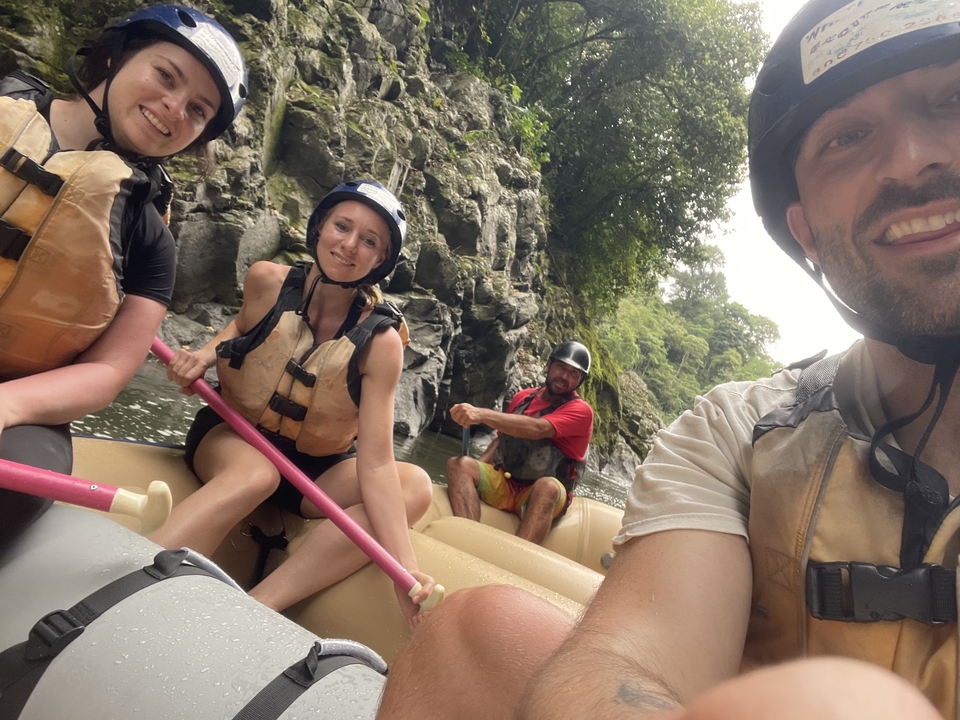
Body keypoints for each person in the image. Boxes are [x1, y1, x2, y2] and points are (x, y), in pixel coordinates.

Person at [376, 0, 960, 716]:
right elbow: (622, 662)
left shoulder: (575, 412)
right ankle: (466, 533)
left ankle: (497, 538)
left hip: (539, 498)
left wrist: (482, 411)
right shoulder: (731, 432)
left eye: (954, 99)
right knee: (471, 600)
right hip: (504, 486)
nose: (912, 157)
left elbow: (533, 438)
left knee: (557, 494)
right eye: (849, 136)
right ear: (804, 230)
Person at [0, 5, 246, 545]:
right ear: (115, 55)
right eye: (166, 75)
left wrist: (8, 405)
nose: (174, 108)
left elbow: (109, 373)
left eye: (198, 109)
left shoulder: (149, 238)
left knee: (14, 491)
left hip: (23, 401)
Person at [151, 180, 436, 629]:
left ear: (380, 260)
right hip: (231, 434)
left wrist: (401, 569)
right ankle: (141, 570)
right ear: (321, 226)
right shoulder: (267, 280)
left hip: (309, 475)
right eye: (342, 227)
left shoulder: (381, 343)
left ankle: (258, 605)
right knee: (256, 474)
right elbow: (241, 328)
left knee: (415, 486)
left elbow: (377, 465)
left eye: (368, 241)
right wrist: (205, 354)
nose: (349, 245)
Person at [445, 341, 594, 544]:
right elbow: (501, 440)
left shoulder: (581, 411)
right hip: (507, 483)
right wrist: (477, 471)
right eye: (561, 367)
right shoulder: (523, 397)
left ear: (580, 380)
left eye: (574, 374)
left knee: (547, 487)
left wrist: (481, 414)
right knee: (458, 464)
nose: (565, 377)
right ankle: (467, 540)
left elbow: (537, 428)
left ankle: (515, 559)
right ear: (549, 364)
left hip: (540, 493)